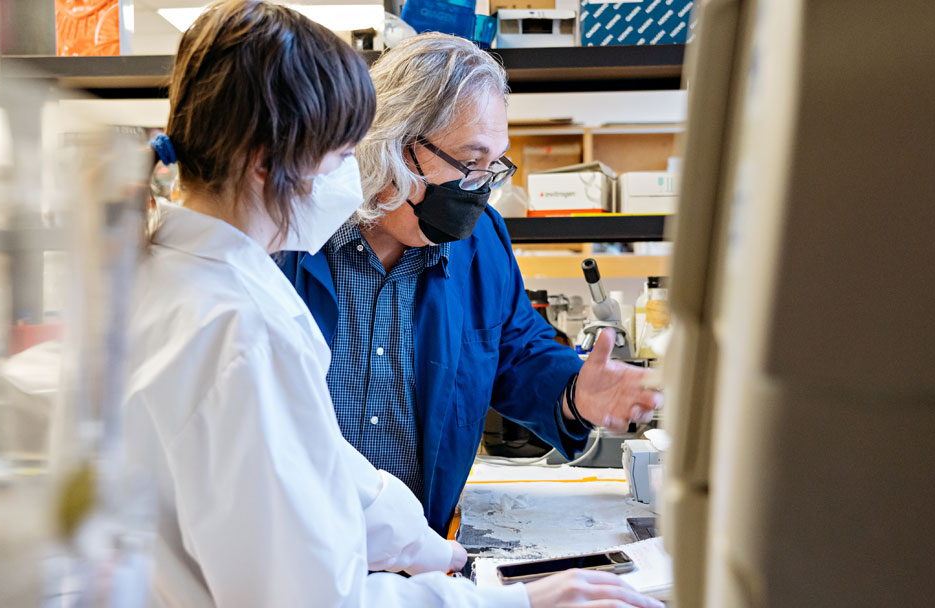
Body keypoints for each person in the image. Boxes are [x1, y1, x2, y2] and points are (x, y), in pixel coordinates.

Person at [124, 2, 662, 607]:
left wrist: (426, 549)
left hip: (405, 552)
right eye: (337, 154)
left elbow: (317, 458)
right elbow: (310, 590)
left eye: (494, 168)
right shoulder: (254, 304)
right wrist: (512, 603)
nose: (343, 176)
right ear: (397, 146)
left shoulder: (181, 276)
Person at [279, 33, 662, 536]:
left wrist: (574, 394)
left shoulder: (481, 243)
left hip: (421, 548)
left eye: (493, 165)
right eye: (469, 161)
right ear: (395, 144)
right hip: (289, 546)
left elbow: (516, 351)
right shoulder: (291, 236)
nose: (481, 188)